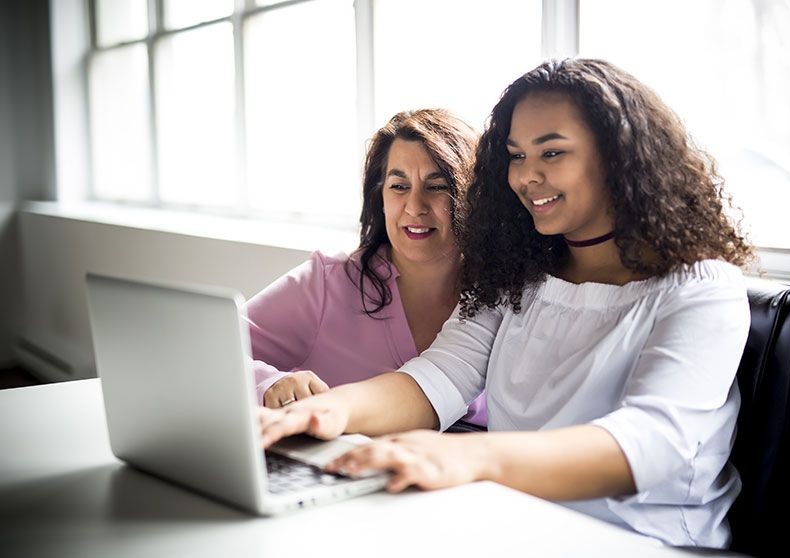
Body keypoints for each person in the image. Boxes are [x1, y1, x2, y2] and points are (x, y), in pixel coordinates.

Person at [257, 59, 755, 548]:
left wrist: (475, 458)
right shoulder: (519, 274)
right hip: (515, 522)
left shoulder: (702, 287)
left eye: (552, 153)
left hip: (647, 540)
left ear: (619, 156)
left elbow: (650, 442)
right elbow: (438, 377)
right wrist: (325, 412)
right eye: (516, 156)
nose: (526, 177)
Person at [247, 108, 485, 426]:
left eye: (437, 186)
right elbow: (207, 350)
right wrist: (268, 382)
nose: (415, 206)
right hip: (343, 469)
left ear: (473, 194)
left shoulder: (503, 298)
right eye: (399, 186)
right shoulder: (326, 283)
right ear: (380, 197)